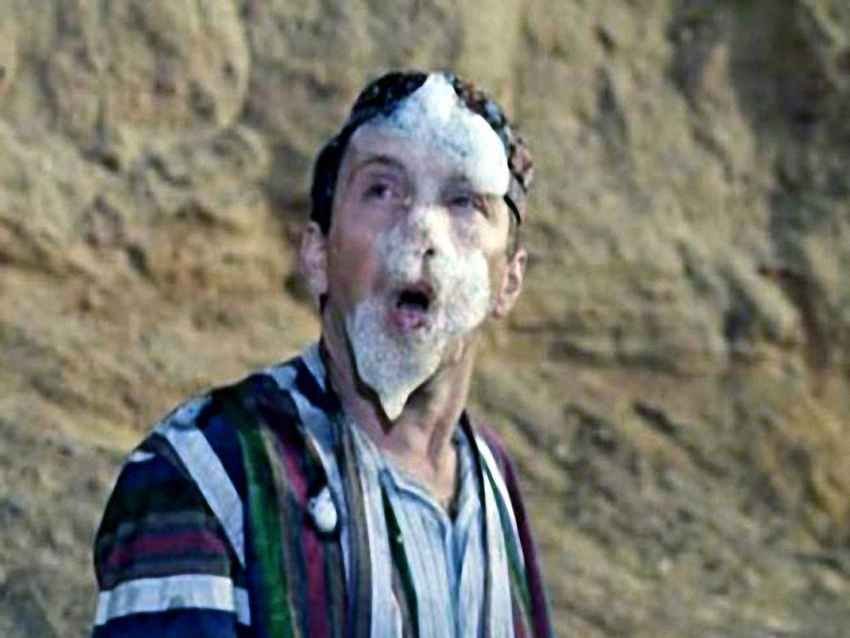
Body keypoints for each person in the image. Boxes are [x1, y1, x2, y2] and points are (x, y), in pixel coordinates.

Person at [91, 70, 553, 638]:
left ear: (509, 281)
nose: (421, 230)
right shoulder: (207, 470)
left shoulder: (492, 482)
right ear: (316, 256)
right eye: (382, 190)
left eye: (463, 202)